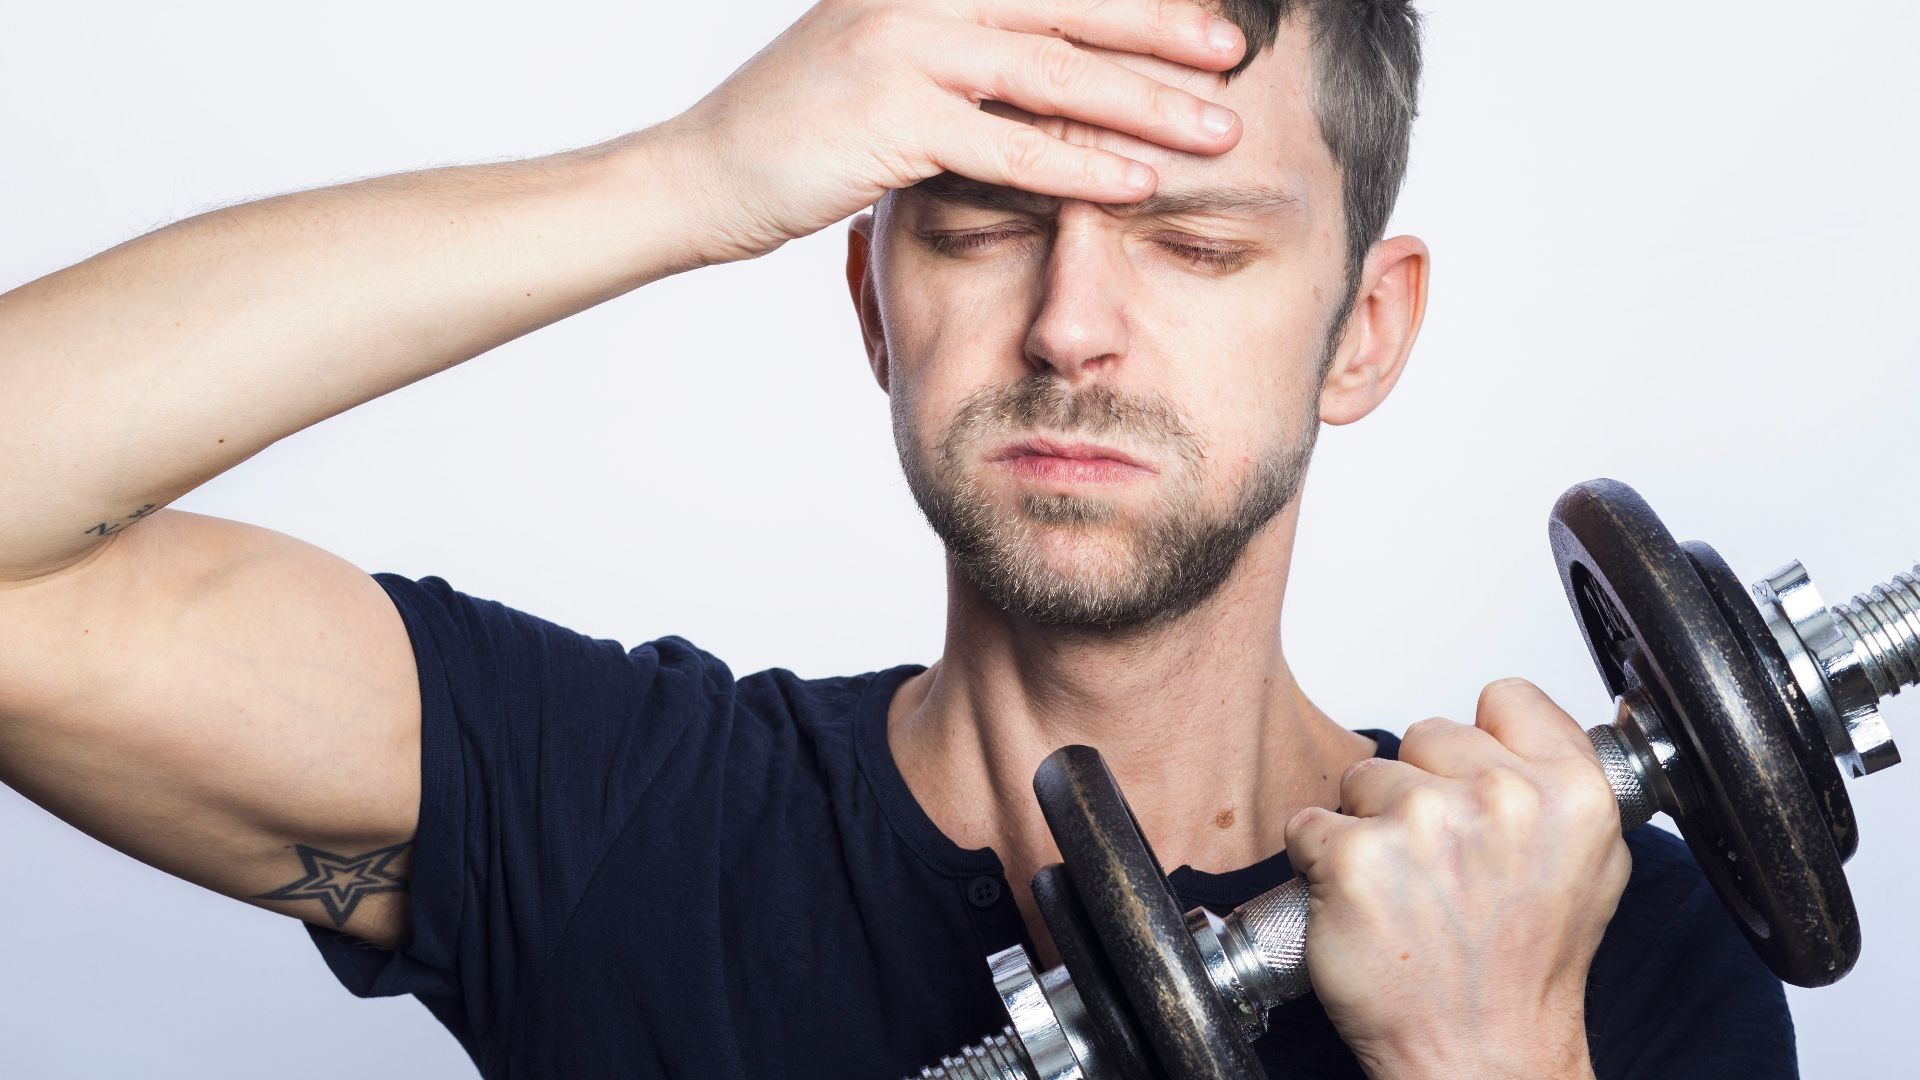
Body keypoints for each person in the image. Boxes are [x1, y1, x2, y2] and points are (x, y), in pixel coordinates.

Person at [0, 0, 1796, 1076]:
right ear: (873, 294)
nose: (1071, 326)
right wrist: (687, 176)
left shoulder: (1601, 947)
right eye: (983, 227)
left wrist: (1491, 1058)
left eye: (1195, 246)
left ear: (1365, 331)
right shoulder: (622, 820)